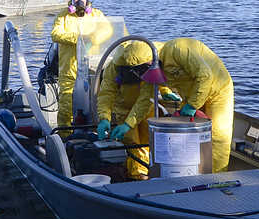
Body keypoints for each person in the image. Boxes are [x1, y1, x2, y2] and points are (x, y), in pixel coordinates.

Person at [95, 40, 182, 180]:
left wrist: (164, 90)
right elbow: (106, 93)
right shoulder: (114, 68)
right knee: (132, 143)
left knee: (151, 140)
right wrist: (104, 117)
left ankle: (153, 171)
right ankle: (137, 176)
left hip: (147, 108)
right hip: (124, 109)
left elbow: (145, 99)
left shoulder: (150, 61)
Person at [157, 38, 234, 173]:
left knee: (218, 136)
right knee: (187, 135)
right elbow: (150, 89)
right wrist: (165, 91)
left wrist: (192, 106)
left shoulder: (178, 49)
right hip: (191, 94)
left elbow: (205, 76)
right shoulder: (147, 63)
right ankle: (191, 172)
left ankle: (216, 177)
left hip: (218, 90)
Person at [49, 0, 113, 129]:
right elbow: (55, 34)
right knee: (66, 105)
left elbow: (108, 30)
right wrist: (79, 38)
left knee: (95, 104)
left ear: (87, 0)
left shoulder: (96, 14)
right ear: (71, 0)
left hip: (92, 69)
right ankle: (65, 136)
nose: (79, 2)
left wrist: (93, 38)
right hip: (68, 70)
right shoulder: (63, 16)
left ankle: (95, 133)